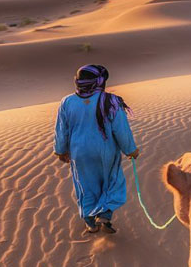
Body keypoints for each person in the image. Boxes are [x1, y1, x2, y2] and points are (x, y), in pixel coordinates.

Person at [54, 64, 140, 235]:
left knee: (86, 186)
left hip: (79, 153)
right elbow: (121, 130)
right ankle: (105, 215)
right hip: (106, 152)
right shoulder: (111, 101)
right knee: (112, 182)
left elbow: (61, 130)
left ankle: (90, 223)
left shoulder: (67, 102)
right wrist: (130, 149)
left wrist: (60, 150)